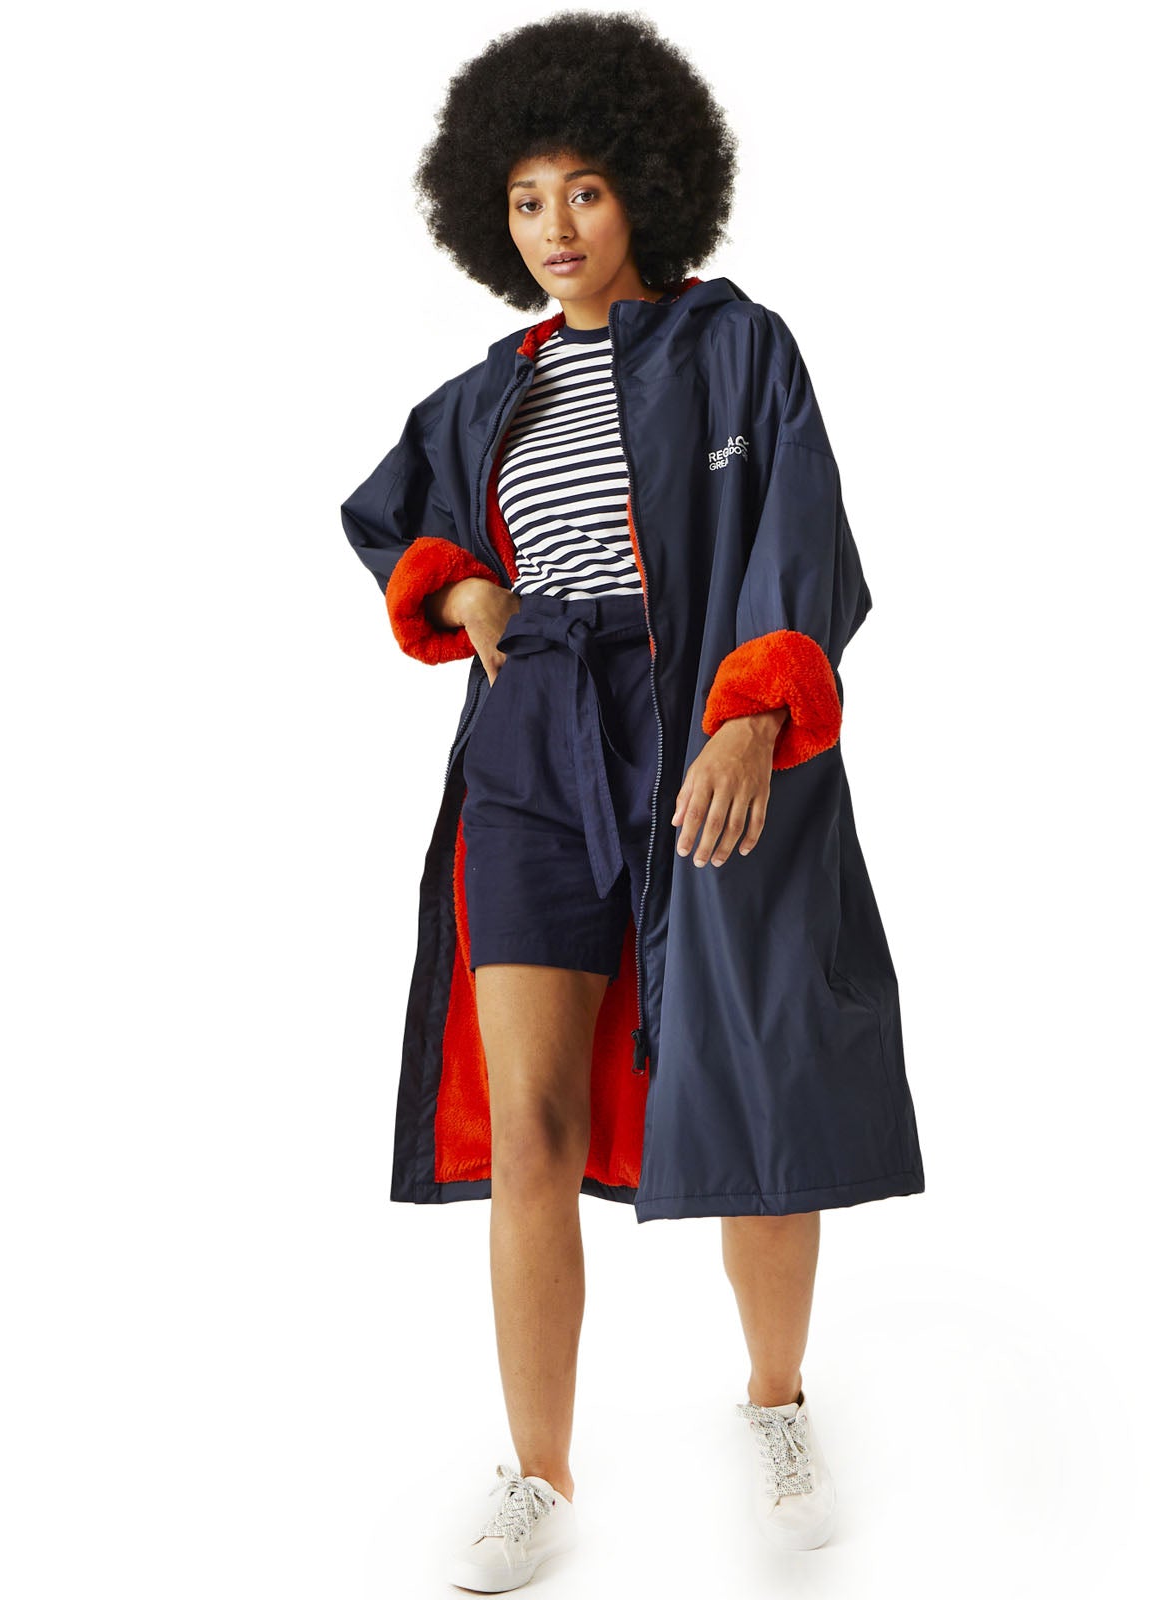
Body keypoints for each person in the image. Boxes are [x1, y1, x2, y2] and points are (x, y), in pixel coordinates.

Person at [340, 12, 924, 1589]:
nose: (556, 227)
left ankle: (778, 1404)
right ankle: (538, 1477)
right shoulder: (488, 394)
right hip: (530, 744)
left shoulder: (739, 348)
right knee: (525, 1120)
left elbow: (802, 542)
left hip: (700, 731)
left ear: (647, 189)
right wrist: (459, 591)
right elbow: (393, 520)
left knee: (755, 1075)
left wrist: (753, 718)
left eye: (584, 191)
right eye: (525, 199)